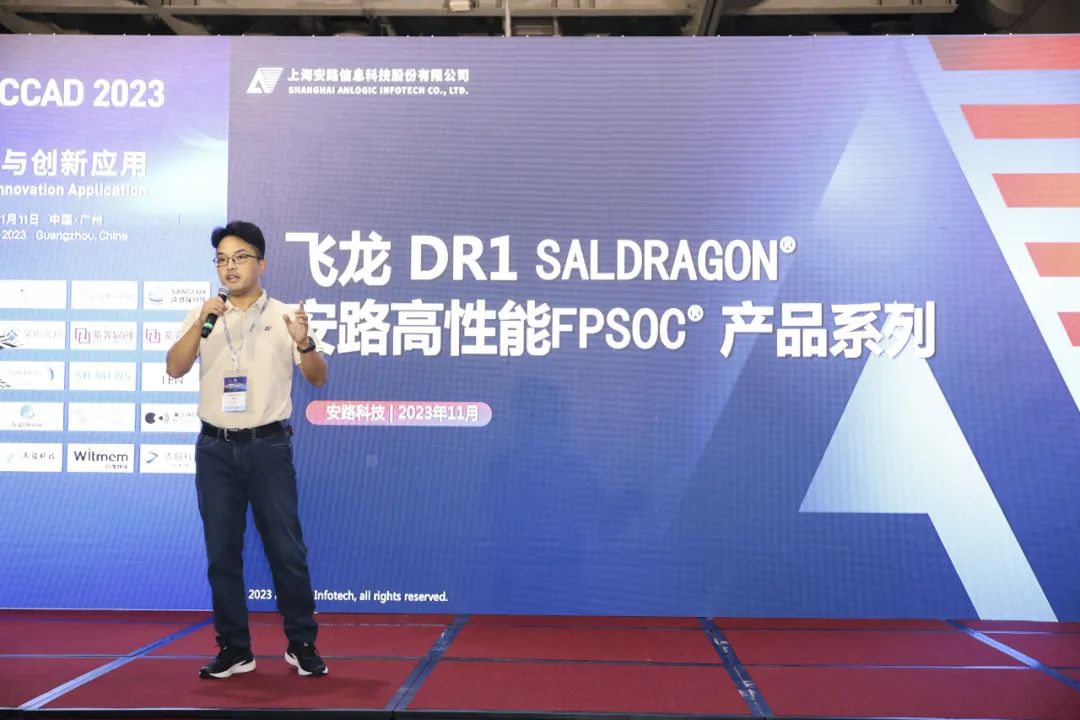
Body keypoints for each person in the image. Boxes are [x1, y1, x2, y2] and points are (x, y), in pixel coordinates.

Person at [166, 220, 329, 679]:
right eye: (221, 259)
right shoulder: (205, 315)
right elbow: (175, 368)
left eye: (239, 257)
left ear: (262, 263)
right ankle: (234, 648)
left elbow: (318, 377)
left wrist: (304, 342)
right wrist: (201, 323)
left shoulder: (285, 315)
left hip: (267, 446)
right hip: (214, 448)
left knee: (286, 550)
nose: (229, 266)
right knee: (222, 553)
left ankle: (301, 643)